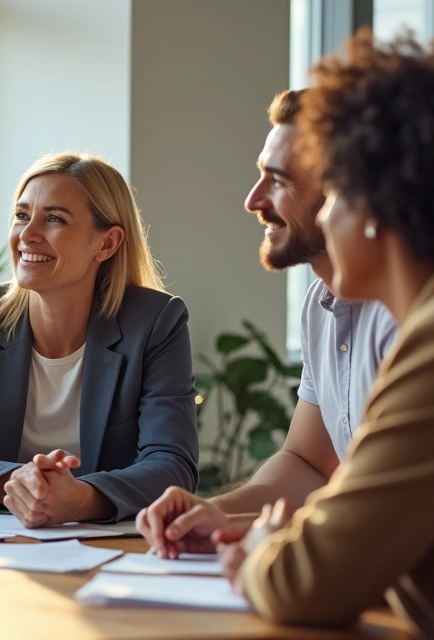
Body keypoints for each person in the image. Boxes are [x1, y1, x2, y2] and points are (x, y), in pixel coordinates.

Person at [217, 31, 434, 638]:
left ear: (381, 207)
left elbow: (307, 581)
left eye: (338, 193)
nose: (327, 214)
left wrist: (260, 548)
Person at [136, 89, 398, 557]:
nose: (252, 200)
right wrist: (217, 513)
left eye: (278, 181)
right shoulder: (321, 305)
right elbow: (308, 463)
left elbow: (392, 507)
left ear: (348, 193)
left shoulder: (410, 316)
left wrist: (265, 549)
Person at [0, 152, 199, 527]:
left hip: (112, 544)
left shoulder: (156, 323)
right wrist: (23, 484)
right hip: (0, 538)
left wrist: (82, 499)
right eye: (21, 215)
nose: (27, 235)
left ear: (107, 244)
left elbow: (172, 464)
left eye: (54, 219)